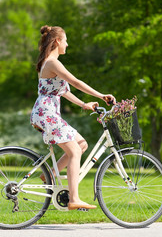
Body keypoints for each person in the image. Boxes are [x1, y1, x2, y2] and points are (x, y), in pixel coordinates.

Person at [30, 25, 116, 210]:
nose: (67, 44)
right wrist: (101, 95)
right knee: (75, 152)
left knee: (82, 144)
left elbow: (63, 91)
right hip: (47, 114)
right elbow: (76, 83)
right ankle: (74, 199)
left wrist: (84, 104)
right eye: (66, 40)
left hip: (47, 113)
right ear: (57, 41)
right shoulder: (53, 62)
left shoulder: (50, 63)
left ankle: (50, 174)